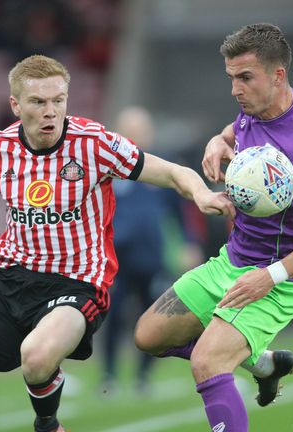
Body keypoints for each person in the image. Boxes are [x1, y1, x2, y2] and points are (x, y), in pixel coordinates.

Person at [0, 55, 234, 432]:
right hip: (9, 282)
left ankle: (47, 424)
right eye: (38, 102)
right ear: (16, 105)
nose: (51, 111)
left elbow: (170, 171)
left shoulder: (92, 143)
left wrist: (201, 194)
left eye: (59, 100)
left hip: (79, 282)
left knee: (36, 356)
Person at [134, 23, 293, 432]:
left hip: (278, 278)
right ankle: (265, 364)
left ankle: (242, 364)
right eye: (232, 77)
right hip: (233, 260)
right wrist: (219, 139)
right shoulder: (257, 106)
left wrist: (271, 276)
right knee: (148, 336)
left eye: (245, 78)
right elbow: (238, 129)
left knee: (207, 361)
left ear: (277, 76)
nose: (236, 89)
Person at [100, 106, 204, 395]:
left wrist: (190, 242)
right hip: (116, 260)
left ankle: (142, 378)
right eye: (129, 131)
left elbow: (182, 212)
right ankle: (108, 376)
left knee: (154, 321)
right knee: (113, 315)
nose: (135, 137)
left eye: (140, 130)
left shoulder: (161, 169)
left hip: (152, 258)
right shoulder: (108, 170)